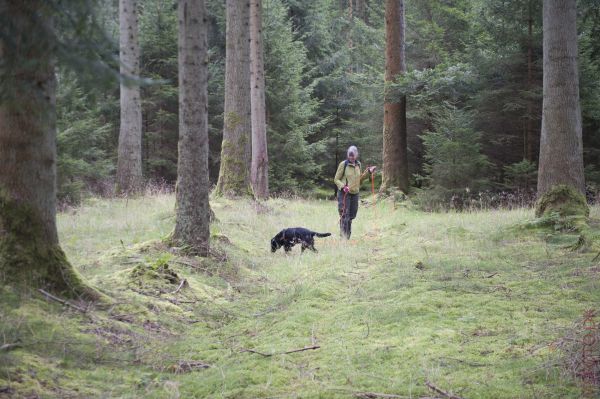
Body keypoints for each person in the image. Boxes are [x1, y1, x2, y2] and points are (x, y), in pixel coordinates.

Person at [333, 146, 376, 239]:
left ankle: (347, 236)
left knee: (352, 215)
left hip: (355, 193)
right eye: (350, 156)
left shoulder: (358, 164)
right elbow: (336, 179)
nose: (351, 157)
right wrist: (343, 186)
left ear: (356, 155)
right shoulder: (343, 164)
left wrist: (369, 172)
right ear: (348, 155)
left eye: (353, 156)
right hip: (344, 194)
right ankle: (344, 238)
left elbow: (359, 180)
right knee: (345, 215)